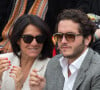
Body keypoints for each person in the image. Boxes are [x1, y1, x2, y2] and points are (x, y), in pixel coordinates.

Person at [29, 9, 100, 90]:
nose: (63, 41)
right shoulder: (54, 63)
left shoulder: (97, 70)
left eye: (70, 36)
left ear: (87, 39)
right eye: (59, 36)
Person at [0, 14, 53, 90]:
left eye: (39, 38)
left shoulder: (52, 67)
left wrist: (19, 86)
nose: (34, 43)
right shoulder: (3, 60)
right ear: (18, 40)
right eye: (28, 38)